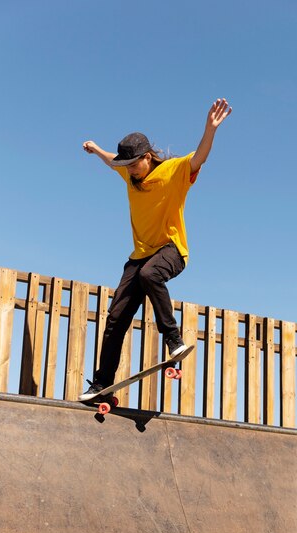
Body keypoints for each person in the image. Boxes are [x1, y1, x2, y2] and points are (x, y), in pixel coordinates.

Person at [79, 98, 232, 401]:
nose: (131, 172)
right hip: (138, 256)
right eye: (128, 167)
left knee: (151, 275)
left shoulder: (174, 172)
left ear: (148, 157)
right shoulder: (129, 171)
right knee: (116, 319)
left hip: (171, 249)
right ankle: (101, 386)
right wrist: (96, 148)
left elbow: (199, 157)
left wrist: (210, 129)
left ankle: (173, 339)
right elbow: (113, 161)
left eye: (135, 165)